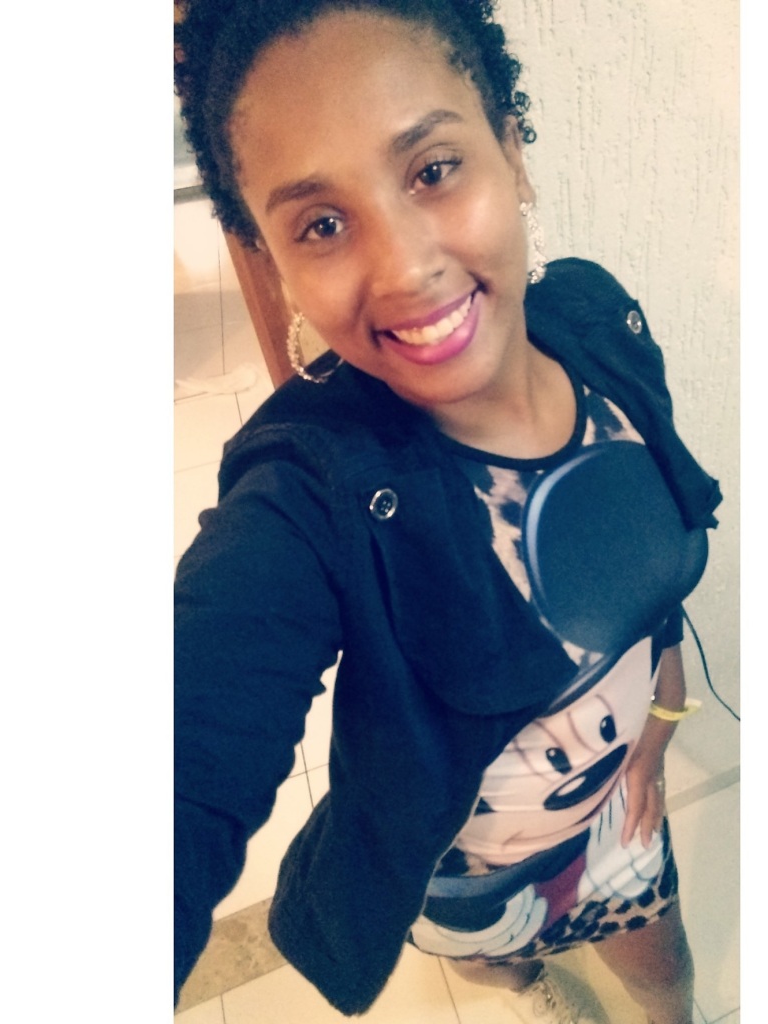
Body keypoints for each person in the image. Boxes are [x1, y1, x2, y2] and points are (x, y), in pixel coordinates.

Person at [173, 2, 722, 1022]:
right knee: (499, 967)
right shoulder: (307, 496)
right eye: (322, 224)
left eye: (431, 169)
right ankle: (525, 986)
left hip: (619, 820)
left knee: (665, 980)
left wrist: (659, 727)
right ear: (272, 257)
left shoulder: (600, 326)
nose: (405, 268)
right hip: (465, 886)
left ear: (512, 152)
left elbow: (648, 590)